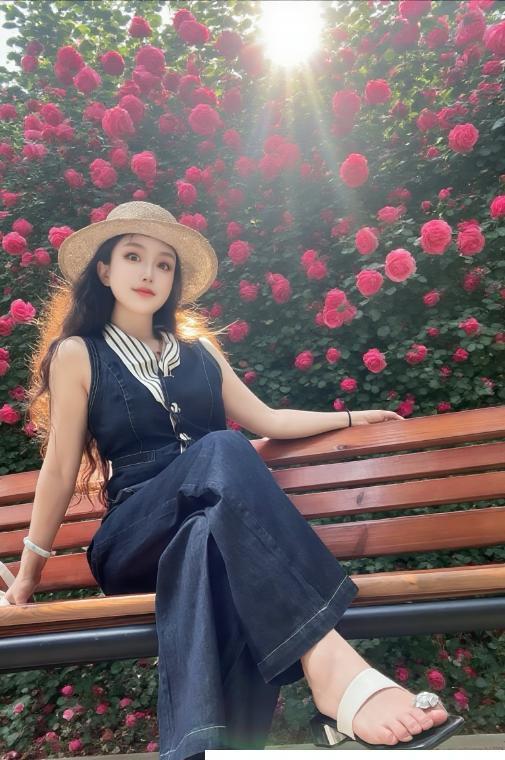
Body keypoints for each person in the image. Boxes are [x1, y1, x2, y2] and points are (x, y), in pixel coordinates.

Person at [3, 202, 464, 757]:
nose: (149, 273)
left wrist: (349, 418)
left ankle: (206, 749)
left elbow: (267, 420)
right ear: (104, 270)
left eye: (164, 264)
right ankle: (332, 665)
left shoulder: (200, 353)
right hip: (134, 537)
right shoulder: (79, 353)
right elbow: (59, 467)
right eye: (133, 257)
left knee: (208, 542)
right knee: (222, 446)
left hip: (205, 526)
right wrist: (28, 575)